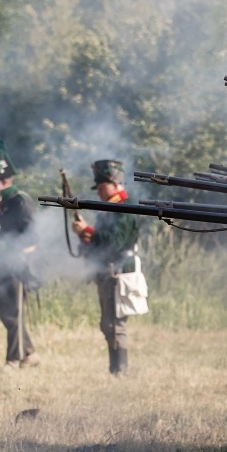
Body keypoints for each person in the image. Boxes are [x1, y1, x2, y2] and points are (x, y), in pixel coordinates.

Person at [72, 159, 142, 375]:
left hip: (118, 271)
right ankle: (115, 369)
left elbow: (116, 242)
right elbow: (101, 243)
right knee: (108, 324)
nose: (100, 192)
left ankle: (120, 370)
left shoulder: (123, 208)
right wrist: (85, 236)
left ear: (114, 184)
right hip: (107, 270)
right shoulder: (108, 209)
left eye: (102, 187)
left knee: (116, 325)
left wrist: (89, 231)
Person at [0, 137, 39, 369]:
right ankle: (30, 353)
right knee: (6, 314)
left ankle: (13, 359)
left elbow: (32, 237)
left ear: (3, 179)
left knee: (14, 314)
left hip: (15, 266)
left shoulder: (19, 202)